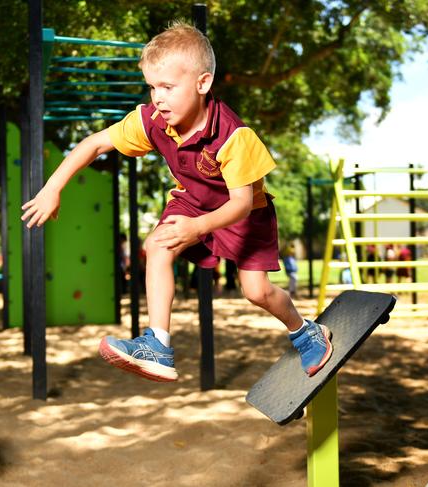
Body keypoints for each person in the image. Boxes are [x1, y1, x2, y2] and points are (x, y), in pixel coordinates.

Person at [21, 22, 332, 382]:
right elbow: (95, 144)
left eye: (168, 87)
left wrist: (198, 228)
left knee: (257, 291)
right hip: (193, 201)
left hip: (246, 216)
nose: (158, 98)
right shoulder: (153, 120)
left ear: (203, 83)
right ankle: (158, 344)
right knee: (156, 245)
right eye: (152, 87)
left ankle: (305, 331)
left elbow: (242, 204)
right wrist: (52, 187)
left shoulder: (234, 137)